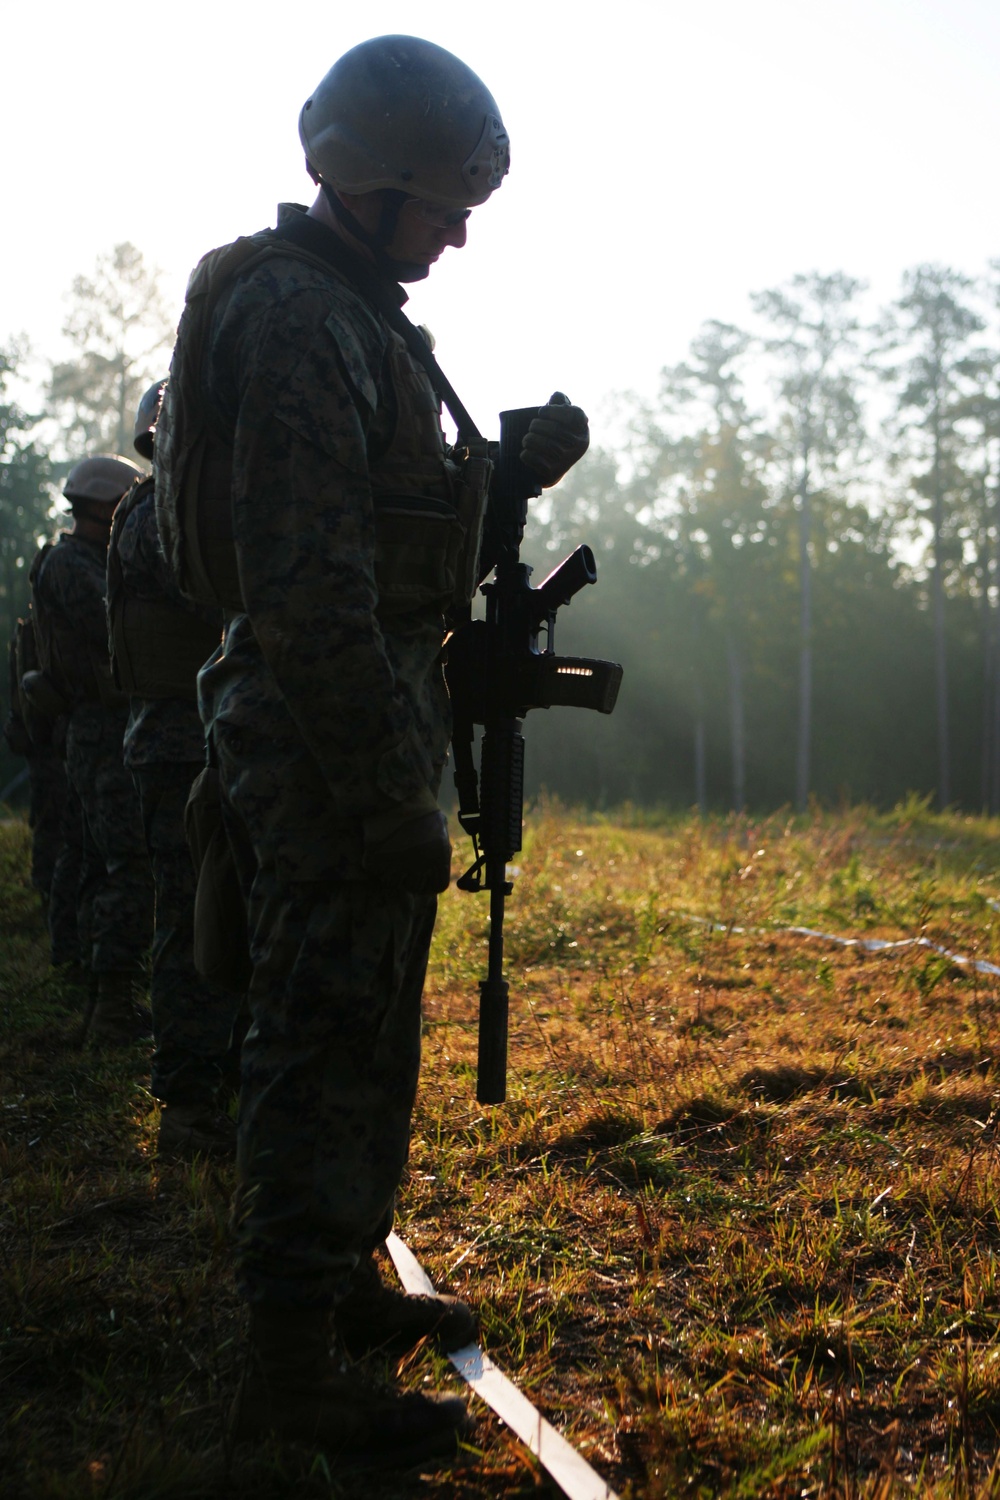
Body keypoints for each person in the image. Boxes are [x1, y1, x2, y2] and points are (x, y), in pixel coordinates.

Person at [156, 34, 589, 1466]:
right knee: (316, 1037)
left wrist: (502, 470)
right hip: (322, 730)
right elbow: (306, 584)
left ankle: (338, 1286)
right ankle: (284, 1380)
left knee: (365, 1033)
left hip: (360, 721)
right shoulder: (297, 320)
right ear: (369, 177)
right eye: (445, 199)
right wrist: (375, 780)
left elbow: (385, 519)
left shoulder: (353, 312)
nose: (460, 230)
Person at [107, 382, 240, 1157]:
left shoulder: (166, 504)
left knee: (220, 913)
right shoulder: (163, 512)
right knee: (194, 920)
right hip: (179, 744)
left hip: (194, 740)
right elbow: (218, 597)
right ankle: (189, 1103)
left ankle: (215, 1082)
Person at [27, 455, 155, 1045]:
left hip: (108, 725)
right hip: (99, 729)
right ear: (106, 507)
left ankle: (93, 975)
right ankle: (109, 1003)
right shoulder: (71, 565)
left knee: (103, 854)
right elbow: (115, 626)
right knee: (122, 862)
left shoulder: (84, 561)